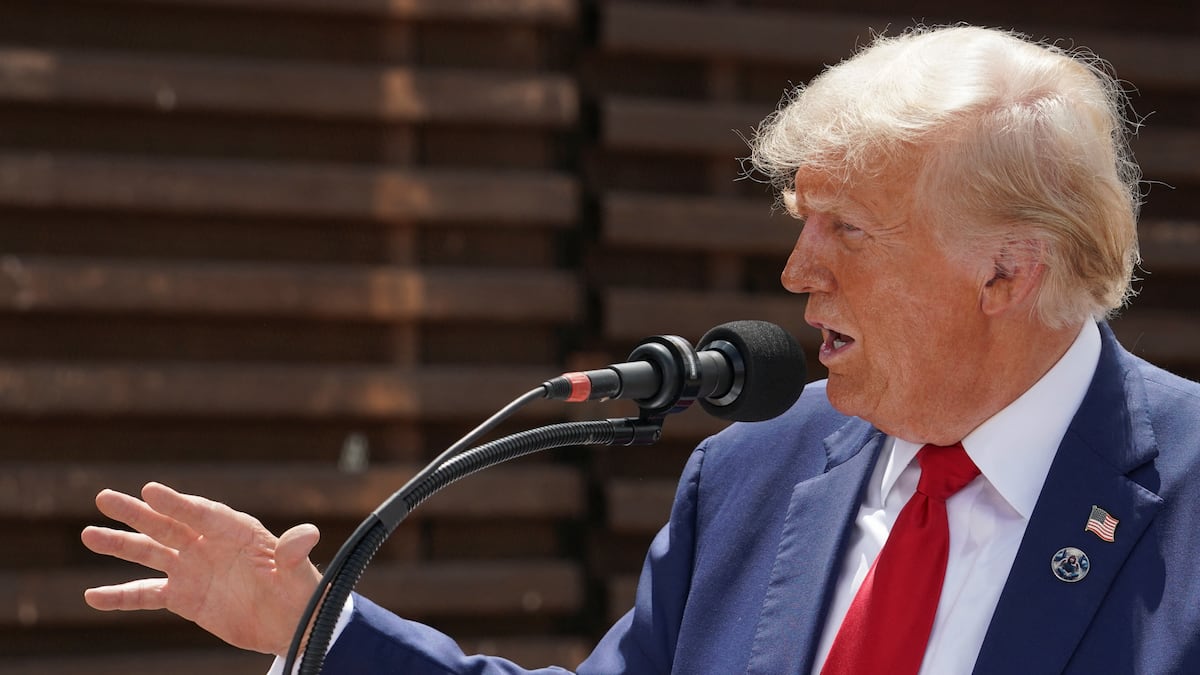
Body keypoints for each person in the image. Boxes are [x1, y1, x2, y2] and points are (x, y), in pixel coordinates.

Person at [81, 24, 1200, 674]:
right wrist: (316, 627)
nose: (797, 274)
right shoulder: (754, 469)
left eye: (848, 232)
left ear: (1008, 272)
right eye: (800, 223)